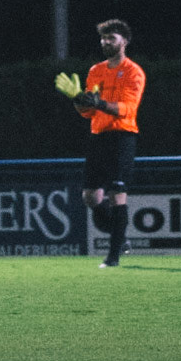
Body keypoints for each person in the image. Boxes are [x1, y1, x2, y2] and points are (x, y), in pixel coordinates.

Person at [55, 20, 146, 267]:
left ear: (124, 41)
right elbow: (87, 112)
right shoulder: (96, 70)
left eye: (111, 38)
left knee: (117, 193)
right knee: (90, 197)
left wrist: (99, 103)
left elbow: (128, 109)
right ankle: (121, 236)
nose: (105, 42)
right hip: (99, 136)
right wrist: (78, 99)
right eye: (103, 38)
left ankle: (113, 257)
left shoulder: (133, 72)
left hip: (122, 137)